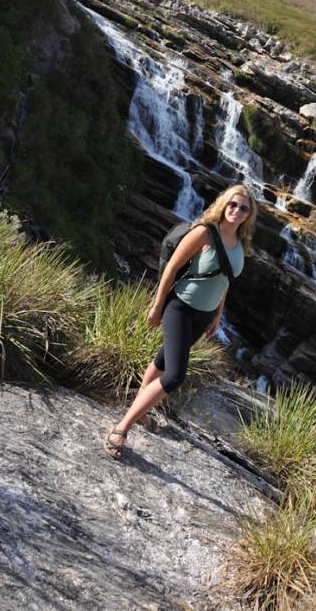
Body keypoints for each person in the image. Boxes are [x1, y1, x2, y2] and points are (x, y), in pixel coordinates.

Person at [105, 183, 257, 459]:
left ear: (249, 214)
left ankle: (141, 412)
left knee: (164, 361)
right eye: (233, 204)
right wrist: (157, 305)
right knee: (174, 375)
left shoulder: (241, 244)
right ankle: (122, 426)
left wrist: (218, 314)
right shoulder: (204, 232)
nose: (236, 210)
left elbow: (225, 280)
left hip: (204, 315)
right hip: (181, 307)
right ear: (224, 203)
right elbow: (173, 266)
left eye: (243, 208)